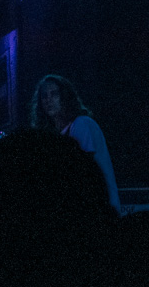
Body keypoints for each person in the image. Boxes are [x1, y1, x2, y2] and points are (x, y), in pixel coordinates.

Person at [30, 74, 120, 211]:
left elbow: (81, 171)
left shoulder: (81, 124)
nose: (48, 100)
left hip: (98, 209)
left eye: (54, 94)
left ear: (65, 97)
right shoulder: (59, 134)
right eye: (44, 96)